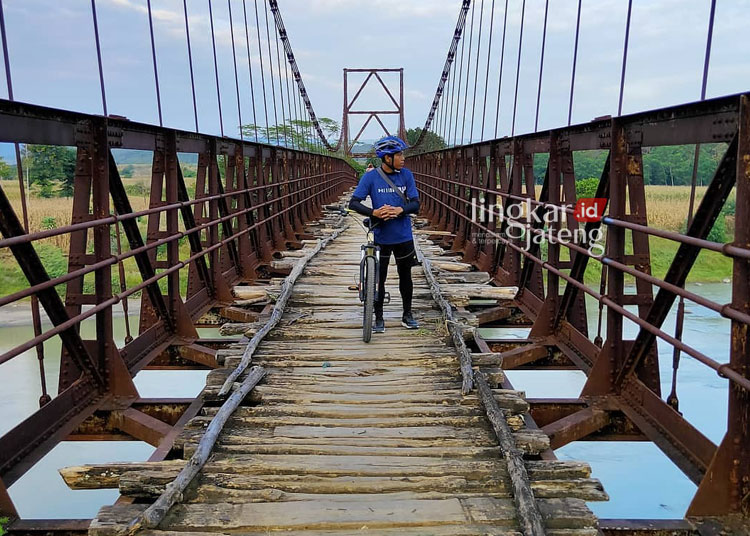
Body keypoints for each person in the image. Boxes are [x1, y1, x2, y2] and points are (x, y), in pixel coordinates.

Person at [349, 135, 420, 333]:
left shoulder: (406, 175)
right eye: (399, 154)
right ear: (387, 158)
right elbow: (353, 203)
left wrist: (400, 210)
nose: (403, 158)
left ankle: (407, 314)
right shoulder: (370, 177)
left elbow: (416, 204)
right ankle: (378, 317)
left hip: (404, 235)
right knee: (379, 277)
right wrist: (375, 212)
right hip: (380, 236)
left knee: (406, 276)